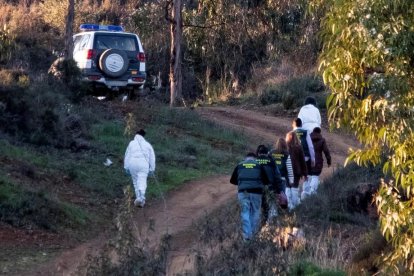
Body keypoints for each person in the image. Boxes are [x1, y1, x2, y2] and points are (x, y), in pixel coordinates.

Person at [230, 152, 270, 241]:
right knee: (255, 212)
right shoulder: (259, 165)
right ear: (254, 158)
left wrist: (242, 183)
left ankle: (246, 237)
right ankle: (254, 236)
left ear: (246, 158)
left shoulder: (239, 165)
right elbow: (266, 181)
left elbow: (232, 181)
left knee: (245, 213)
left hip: (243, 193)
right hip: (257, 193)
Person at [124, 129, 156, 207]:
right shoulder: (147, 144)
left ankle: (140, 199)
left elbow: (127, 155)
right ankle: (141, 197)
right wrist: (152, 169)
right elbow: (152, 157)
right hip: (143, 164)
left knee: (135, 182)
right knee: (142, 180)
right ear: (143, 136)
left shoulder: (131, 143)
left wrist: (126, 167)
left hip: (133, 163)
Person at [255, 145, 283, 224]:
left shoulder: (254, 162)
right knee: (271, 207)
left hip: (257, 189)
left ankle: (260, 225)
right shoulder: (271, 162)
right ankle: (270, 224)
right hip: (271, 189)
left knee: (261, 208)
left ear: (258, 153)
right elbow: (277, 176)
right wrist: (279, 190)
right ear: (267, 153)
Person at [304, 127, 331, 197]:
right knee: (315, 176)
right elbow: (326, 151)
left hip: (308, 161)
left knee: (309, 176)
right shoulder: (322, 140)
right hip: (318, 162)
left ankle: (306, 192)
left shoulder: (307, 139)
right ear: (319, 132)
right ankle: (312, 193)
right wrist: (329, 161)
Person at [292, 118, 315, 199]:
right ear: (301, 125)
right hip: (306, 158)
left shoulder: (291, 134)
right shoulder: (305, 132)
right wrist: (312, 159)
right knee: (307, 176)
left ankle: (295, 196)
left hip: (294, 159)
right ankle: (305, 195)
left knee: (295, 178)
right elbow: (311, 147)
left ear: (293, 125)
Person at [285, 131, 307, 210]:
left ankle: (289, 206)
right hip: (296, 172)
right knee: (294, 188)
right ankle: (295, 208)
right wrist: (305, 173)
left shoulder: (285, 147)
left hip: (286, 171)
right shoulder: (299, 147)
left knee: (288, 188)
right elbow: (302, 161)